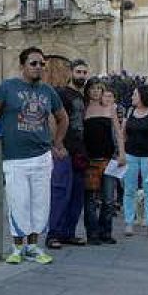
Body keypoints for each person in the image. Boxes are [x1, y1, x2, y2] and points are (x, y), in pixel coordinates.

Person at [0, 46, 68, 264]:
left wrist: (57, 143)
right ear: (22, 66)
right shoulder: (7, 87)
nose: (38, 67)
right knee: (18, 203)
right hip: (14, 158)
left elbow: (62, 117)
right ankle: (17, 248)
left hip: (42, 157)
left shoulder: (48, 91)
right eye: (33, 63)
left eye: (41, 64)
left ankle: (33, 246)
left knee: (40, 204)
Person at [46, 58, 90, 249]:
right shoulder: (61, 93)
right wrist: (57, 144)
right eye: (78, 72)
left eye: (84, 72)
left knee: (77, 194)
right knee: (61, 192)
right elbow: (52, 117)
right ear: (71, 72)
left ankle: (68, 233)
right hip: (64, 150)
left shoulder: (82, 96)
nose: (81, 76)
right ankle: (53, 234)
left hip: (80, 150)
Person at [82, 78, 124, 244]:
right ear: (88, 91)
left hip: (108, 159)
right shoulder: (84, 109)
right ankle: (92, 234)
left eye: (99, 89)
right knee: (91, 199)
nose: (96, 92)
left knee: (108, 199)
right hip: (90, 160)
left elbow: (118, 132)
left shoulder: (110, 108)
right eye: (92, 88)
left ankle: (106, 232)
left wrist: (122, 153)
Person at [122, 83, 148, 237]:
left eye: (135, 94)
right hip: (130, 155)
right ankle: (129, 222)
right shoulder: (130, 112)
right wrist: (123, 151)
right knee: (129, 189)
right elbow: (123, 132)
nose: (132, 97)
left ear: (142, 96)